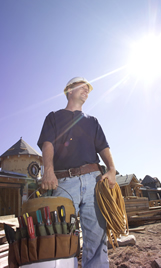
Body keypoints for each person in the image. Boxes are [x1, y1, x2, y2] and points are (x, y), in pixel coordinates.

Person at [37, 77, 116, 268]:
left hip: (94, 181)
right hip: (63, 182)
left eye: (88, 89)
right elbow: (47, 144)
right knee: (61, 236)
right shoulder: (53, 117)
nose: (87, 91)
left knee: (97, 237)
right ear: (69, 91)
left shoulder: (93, 121)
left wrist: (112, 169)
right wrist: (48, 171)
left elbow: (104, 148)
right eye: (82, 87)